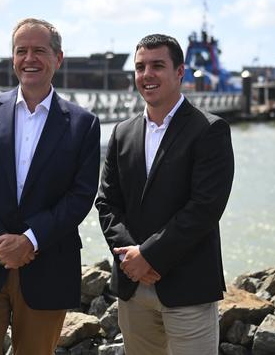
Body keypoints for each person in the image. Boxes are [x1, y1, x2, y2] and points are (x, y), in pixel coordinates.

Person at [0, 18, 100, 355]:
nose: (29, 58)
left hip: (47, 266)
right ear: (13, 58)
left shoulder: (84, 124)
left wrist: (30, 240)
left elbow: (81, 194)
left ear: (58, 59)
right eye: (21, 51)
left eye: (39, 51)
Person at [95, 34, 234, 355]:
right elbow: (107, 202)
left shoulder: (209, 130)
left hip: (187, 285)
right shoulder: (122, 132)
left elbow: (205, 208)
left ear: (180, 72)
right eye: (140, 67)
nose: (147, 75)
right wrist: (131, 259)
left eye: (158, 65)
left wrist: (150, 256)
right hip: (133, 284)